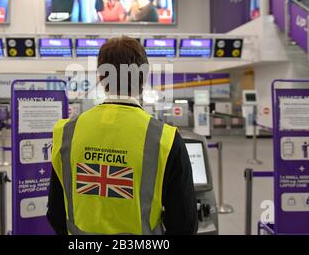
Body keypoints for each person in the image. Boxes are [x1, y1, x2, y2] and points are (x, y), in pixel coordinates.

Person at [48, 36, 197, 235]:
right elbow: (184, 224)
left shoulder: (66, 132)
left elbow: (56, 213)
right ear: (143, 78)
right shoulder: (166, 139)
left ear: (101, 77)